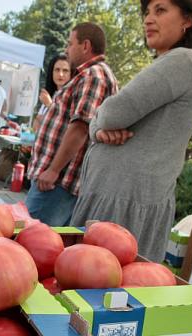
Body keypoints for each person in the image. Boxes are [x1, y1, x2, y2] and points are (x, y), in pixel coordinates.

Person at [70, 0, 192, 263]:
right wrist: (99, 130)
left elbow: (112, 113)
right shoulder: (174, 62)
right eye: (147, 12)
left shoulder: (182, 60)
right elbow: (107, 119)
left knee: (101, 291)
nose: (148, 19)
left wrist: (99, 124)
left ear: (188, 20)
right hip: (122, 199)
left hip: (125, 203)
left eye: (161, 10)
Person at [25, 23, 119, 227]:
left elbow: (81, 129)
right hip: (57, 181)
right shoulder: (89, 75)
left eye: (70, 44)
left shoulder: (94, 75)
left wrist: (53, 170)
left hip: (58, 182)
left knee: (29, 240)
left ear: (86, 46)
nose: (66, 51)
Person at [33, 53, 74, 132]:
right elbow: (36, 125)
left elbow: (65, 127)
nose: (60, 74)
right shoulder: (51, 94)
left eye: (65, 70)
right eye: (57, 70)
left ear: (71, 73)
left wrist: (50, 105)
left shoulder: (73, 98)